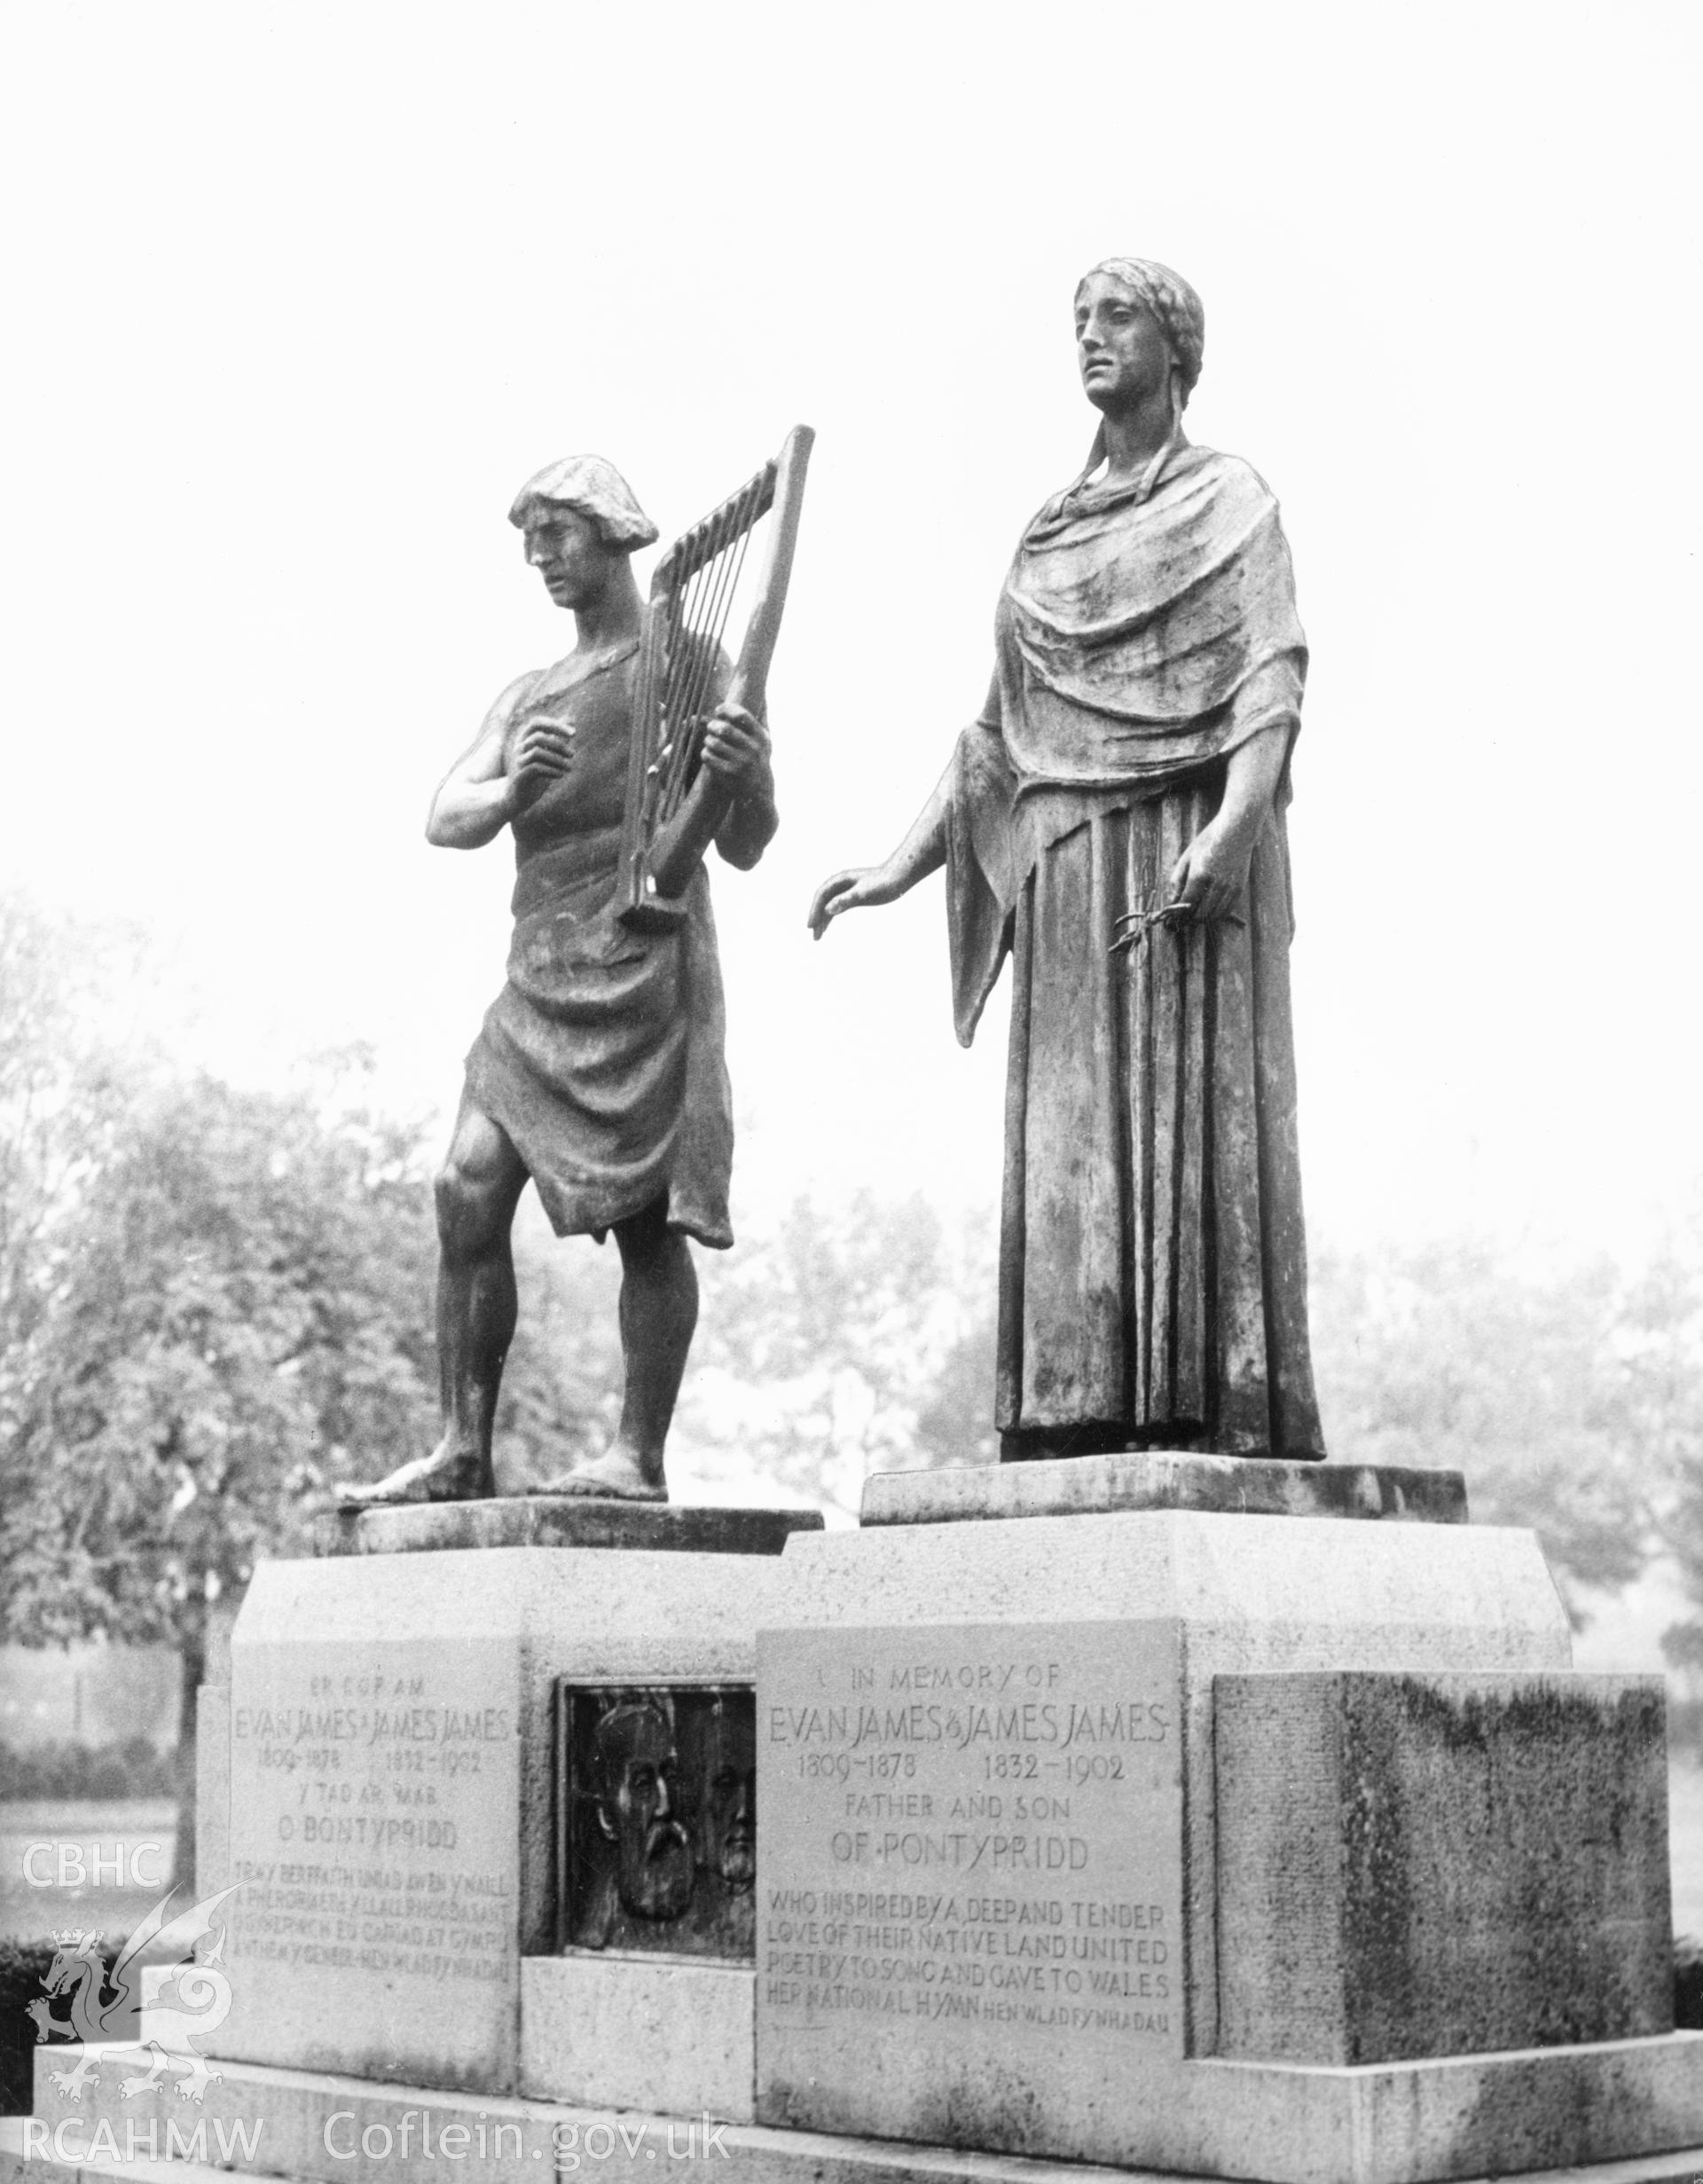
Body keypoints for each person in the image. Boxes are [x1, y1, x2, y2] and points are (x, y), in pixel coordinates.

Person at [809, 259, 1325, 1463]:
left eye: (1117, 317)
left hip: (1182, 854)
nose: (1089, 338)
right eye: (1078, 320)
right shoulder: (1049, 529)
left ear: (1176, 345)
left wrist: (1234, 825)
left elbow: (1270, 674)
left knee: (1186, 1129)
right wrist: (897, 864)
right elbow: (999, 729)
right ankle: (1072, 1406)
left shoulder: (1231, 500)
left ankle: (1199, 1403)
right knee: (1074, 1139)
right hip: (1064, 873)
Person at [343, 455, 775, 1507]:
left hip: (643, 960)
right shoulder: (530, 694)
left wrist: (742, 765)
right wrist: (507, 786)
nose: (539, 558)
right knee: (464, 1185)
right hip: (540, 969)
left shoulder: (693, 661)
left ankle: (639, 1454)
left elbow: (754, 838)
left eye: (556, 535)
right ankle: (463, 1444)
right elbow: (444, 815)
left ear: (614, 533)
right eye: (529, 539)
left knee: (645, 1219)